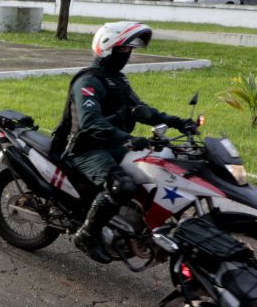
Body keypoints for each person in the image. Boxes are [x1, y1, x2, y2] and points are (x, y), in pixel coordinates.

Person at [51, 22, 198, 263]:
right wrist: (127, 138)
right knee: (121, 186)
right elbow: (90, 122)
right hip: (86, 148)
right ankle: (86, 235)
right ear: (107, 50)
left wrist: (178, 122)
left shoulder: (117, 79)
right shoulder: (88, 81)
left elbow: (141, 110)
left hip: (113, 146)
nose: (127, 56)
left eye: (130, 51)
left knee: (158, 169)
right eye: (123, 51)